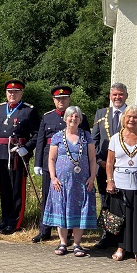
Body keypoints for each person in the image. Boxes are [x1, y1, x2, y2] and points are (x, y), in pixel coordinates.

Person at [33, 85, 89, 242]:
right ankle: (44, 230)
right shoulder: (47, 117)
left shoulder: (79, 116)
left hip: (74, 165)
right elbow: (41, 140)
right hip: (50, 162)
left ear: (69, 99)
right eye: (58, 99)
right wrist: (37, 162)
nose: (61, 101)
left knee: (72, 198)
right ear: (54, 100)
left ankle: (70, 233)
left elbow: (87, 142)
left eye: (64, 98)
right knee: (48, 197)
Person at [41, 106, 97, 257]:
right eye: (70, 116)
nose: (73, 119)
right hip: (61, 183)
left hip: (82, 182)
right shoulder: (57, 137)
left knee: (80, 211)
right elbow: (51, 159)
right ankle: (63, 243)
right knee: (62, 210)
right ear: (65, 118)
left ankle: (78, 244)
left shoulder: (86, 136)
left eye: (76, 117)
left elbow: (92, 159)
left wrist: (92, 177)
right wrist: (53, 178)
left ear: (80, 119)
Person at [105, 106, 137, 263]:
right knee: (120, 217)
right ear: (124, 119)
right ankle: (120, 247)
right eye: (129, 117)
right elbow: (109, 162)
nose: (132, 120)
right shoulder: (115, 138)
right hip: (120, 183)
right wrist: (109, 181)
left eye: (135, 117)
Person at [0, 80, 40, 235]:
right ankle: (5, 218)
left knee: (16, 190)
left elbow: (37, 134)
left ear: (21, 94)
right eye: (9, 92)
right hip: (1, 154)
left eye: (16, 92)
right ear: (6, 93)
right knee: (4, 189)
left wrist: (26, 149)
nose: (12, 94)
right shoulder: (0, 109)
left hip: (17, 156)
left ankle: (15, 221)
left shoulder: (28, 111)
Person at [91, 83, 129, 249]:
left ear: (126, 96)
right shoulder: (101, 113)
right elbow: (95, 141)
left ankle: (125, 237)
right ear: (110, 96)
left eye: (120, 94)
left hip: (125, 168)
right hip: (103, 166)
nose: (117, 97)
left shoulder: (132, 113)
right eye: (114, 95)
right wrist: (99, 161)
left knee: (124, 202)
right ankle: (108, 236)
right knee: (106, 201)